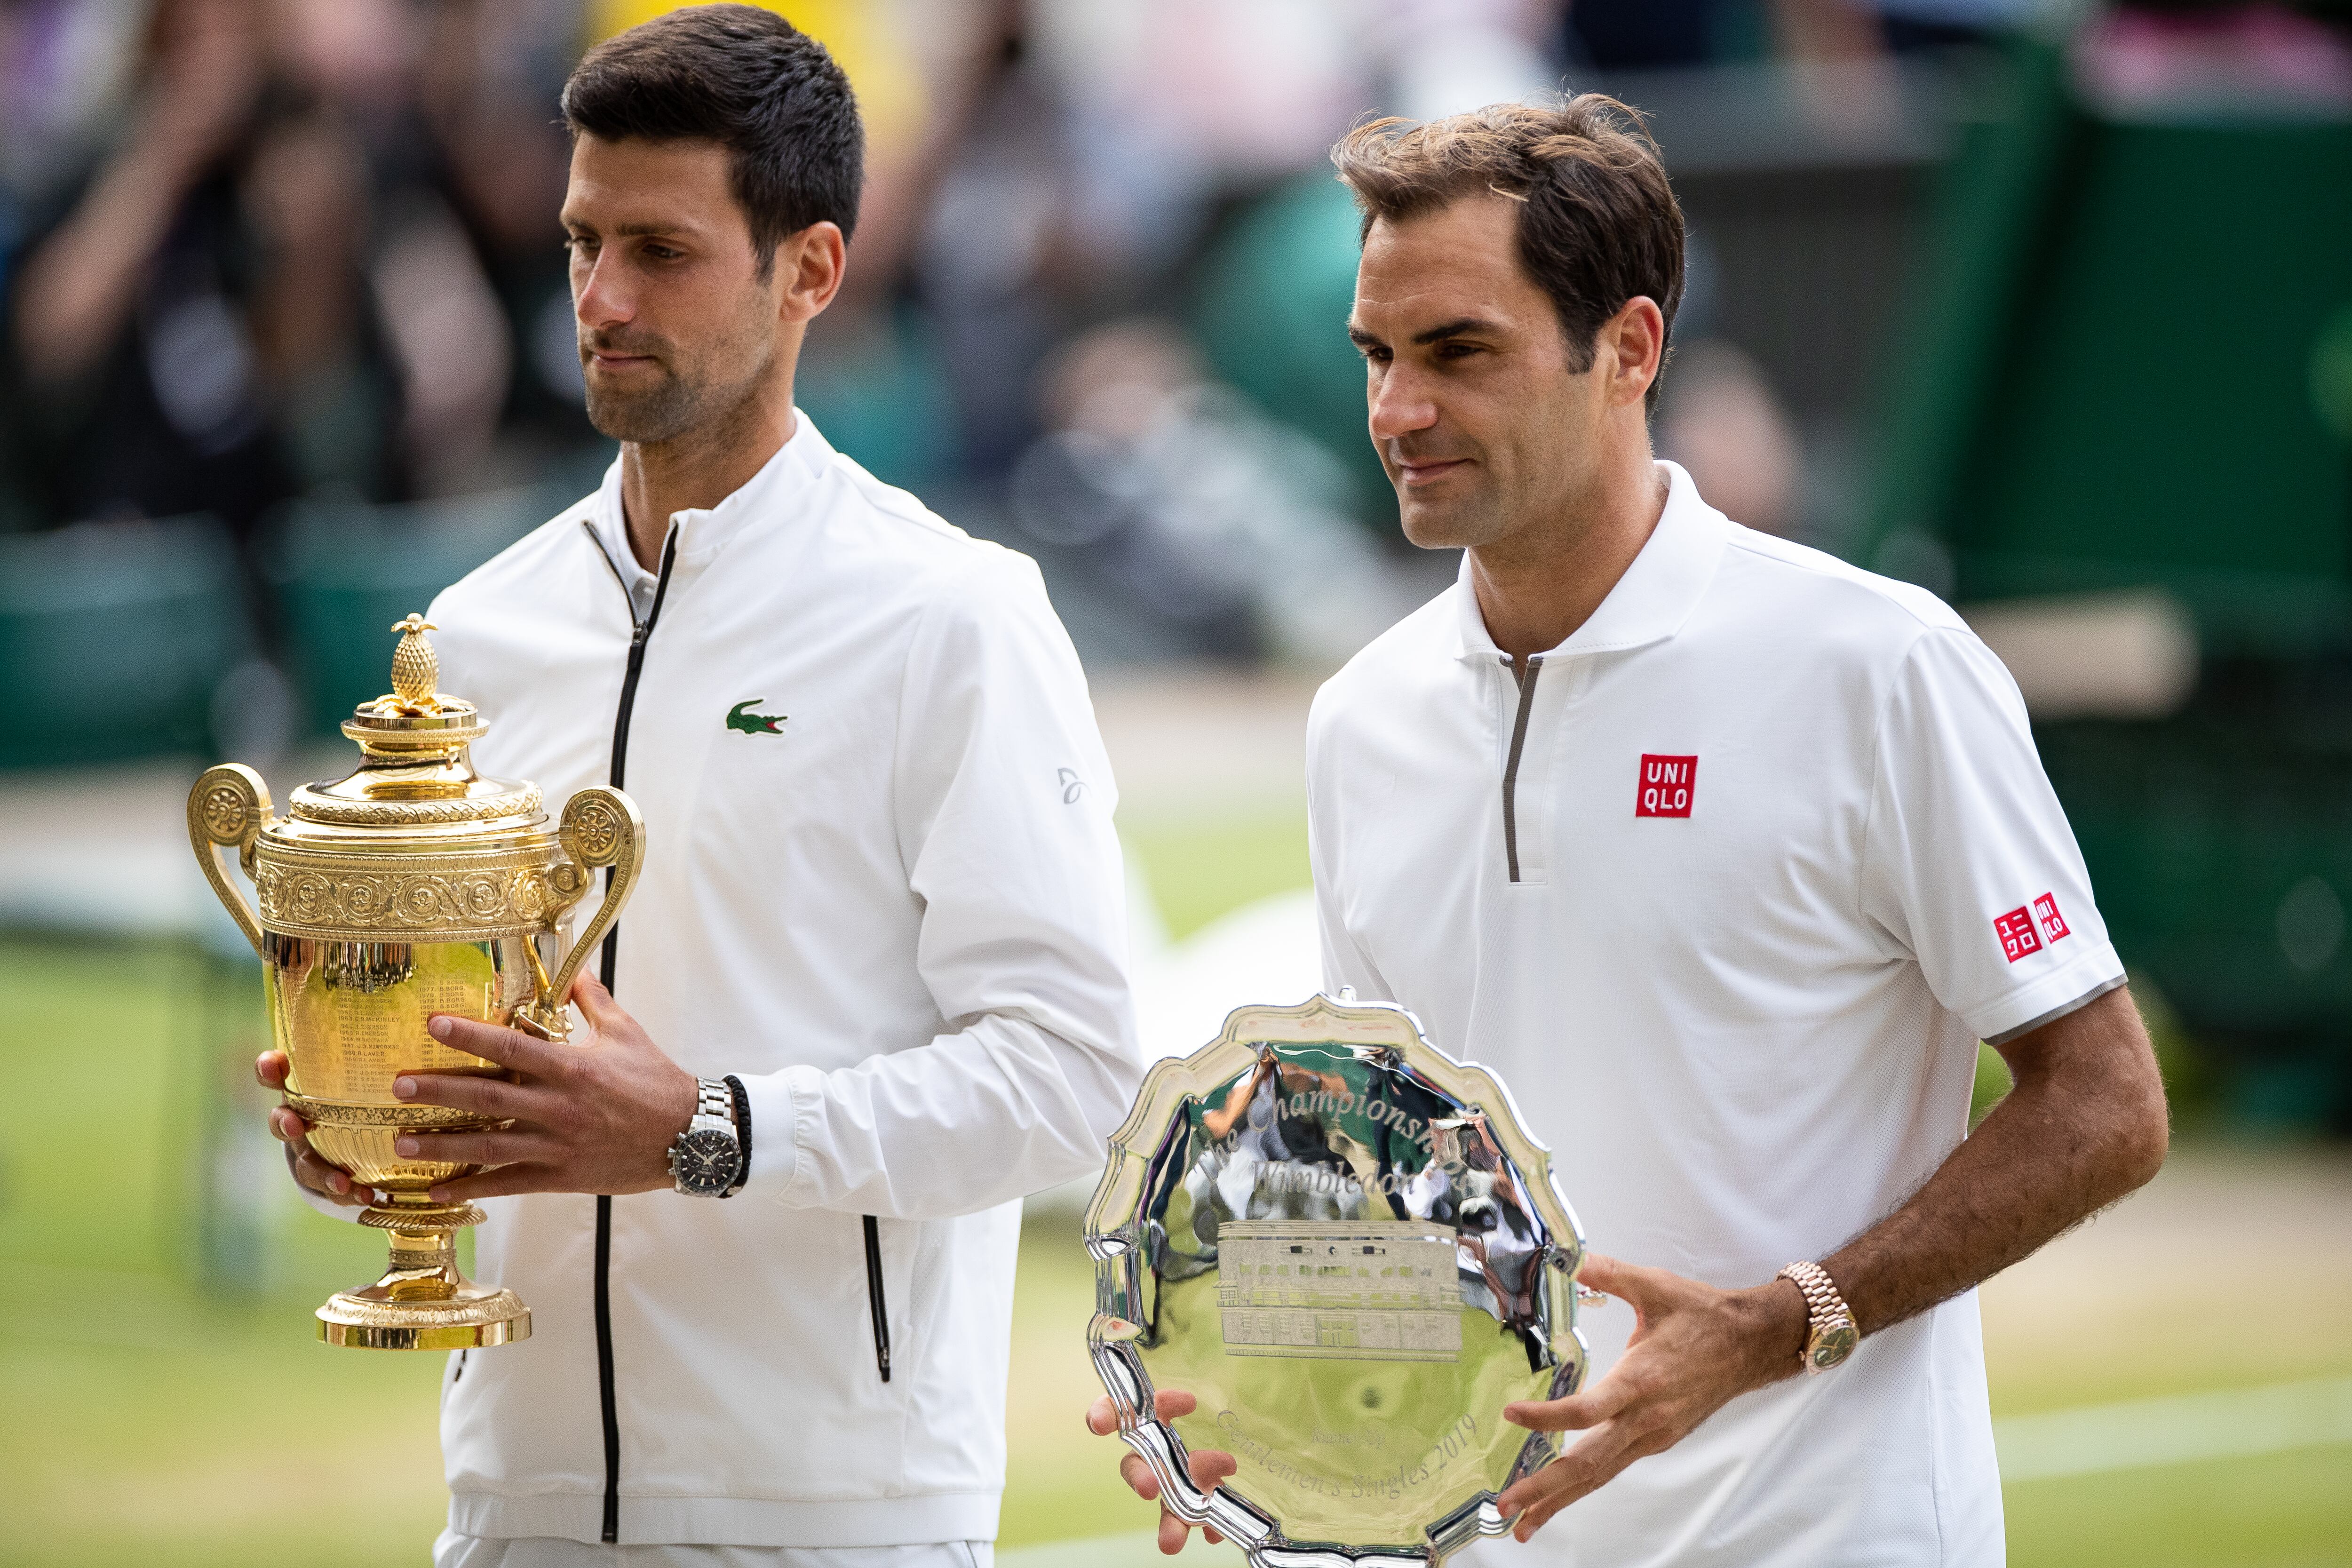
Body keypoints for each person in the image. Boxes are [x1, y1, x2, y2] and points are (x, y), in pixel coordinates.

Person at [1090, 96, 2169, 1566]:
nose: (1397, 411)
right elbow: (1412, 1186)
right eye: (1377, 355)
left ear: (1631, 349)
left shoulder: (1879, 665)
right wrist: (1252, 1388)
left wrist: (1780, 1323)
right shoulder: (1364, 719)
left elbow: (2106, 1105)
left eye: (1459, 352)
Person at [257, 8, 1141, 1565]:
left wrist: (707, 1130)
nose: (600, 298)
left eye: (660, 251)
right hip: (512, 1505)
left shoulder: (954, 615)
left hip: (837, 1519)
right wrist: (371, 1131)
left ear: (812, 270)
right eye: (582, 242)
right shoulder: (472, 633)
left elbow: (1074, 1081)